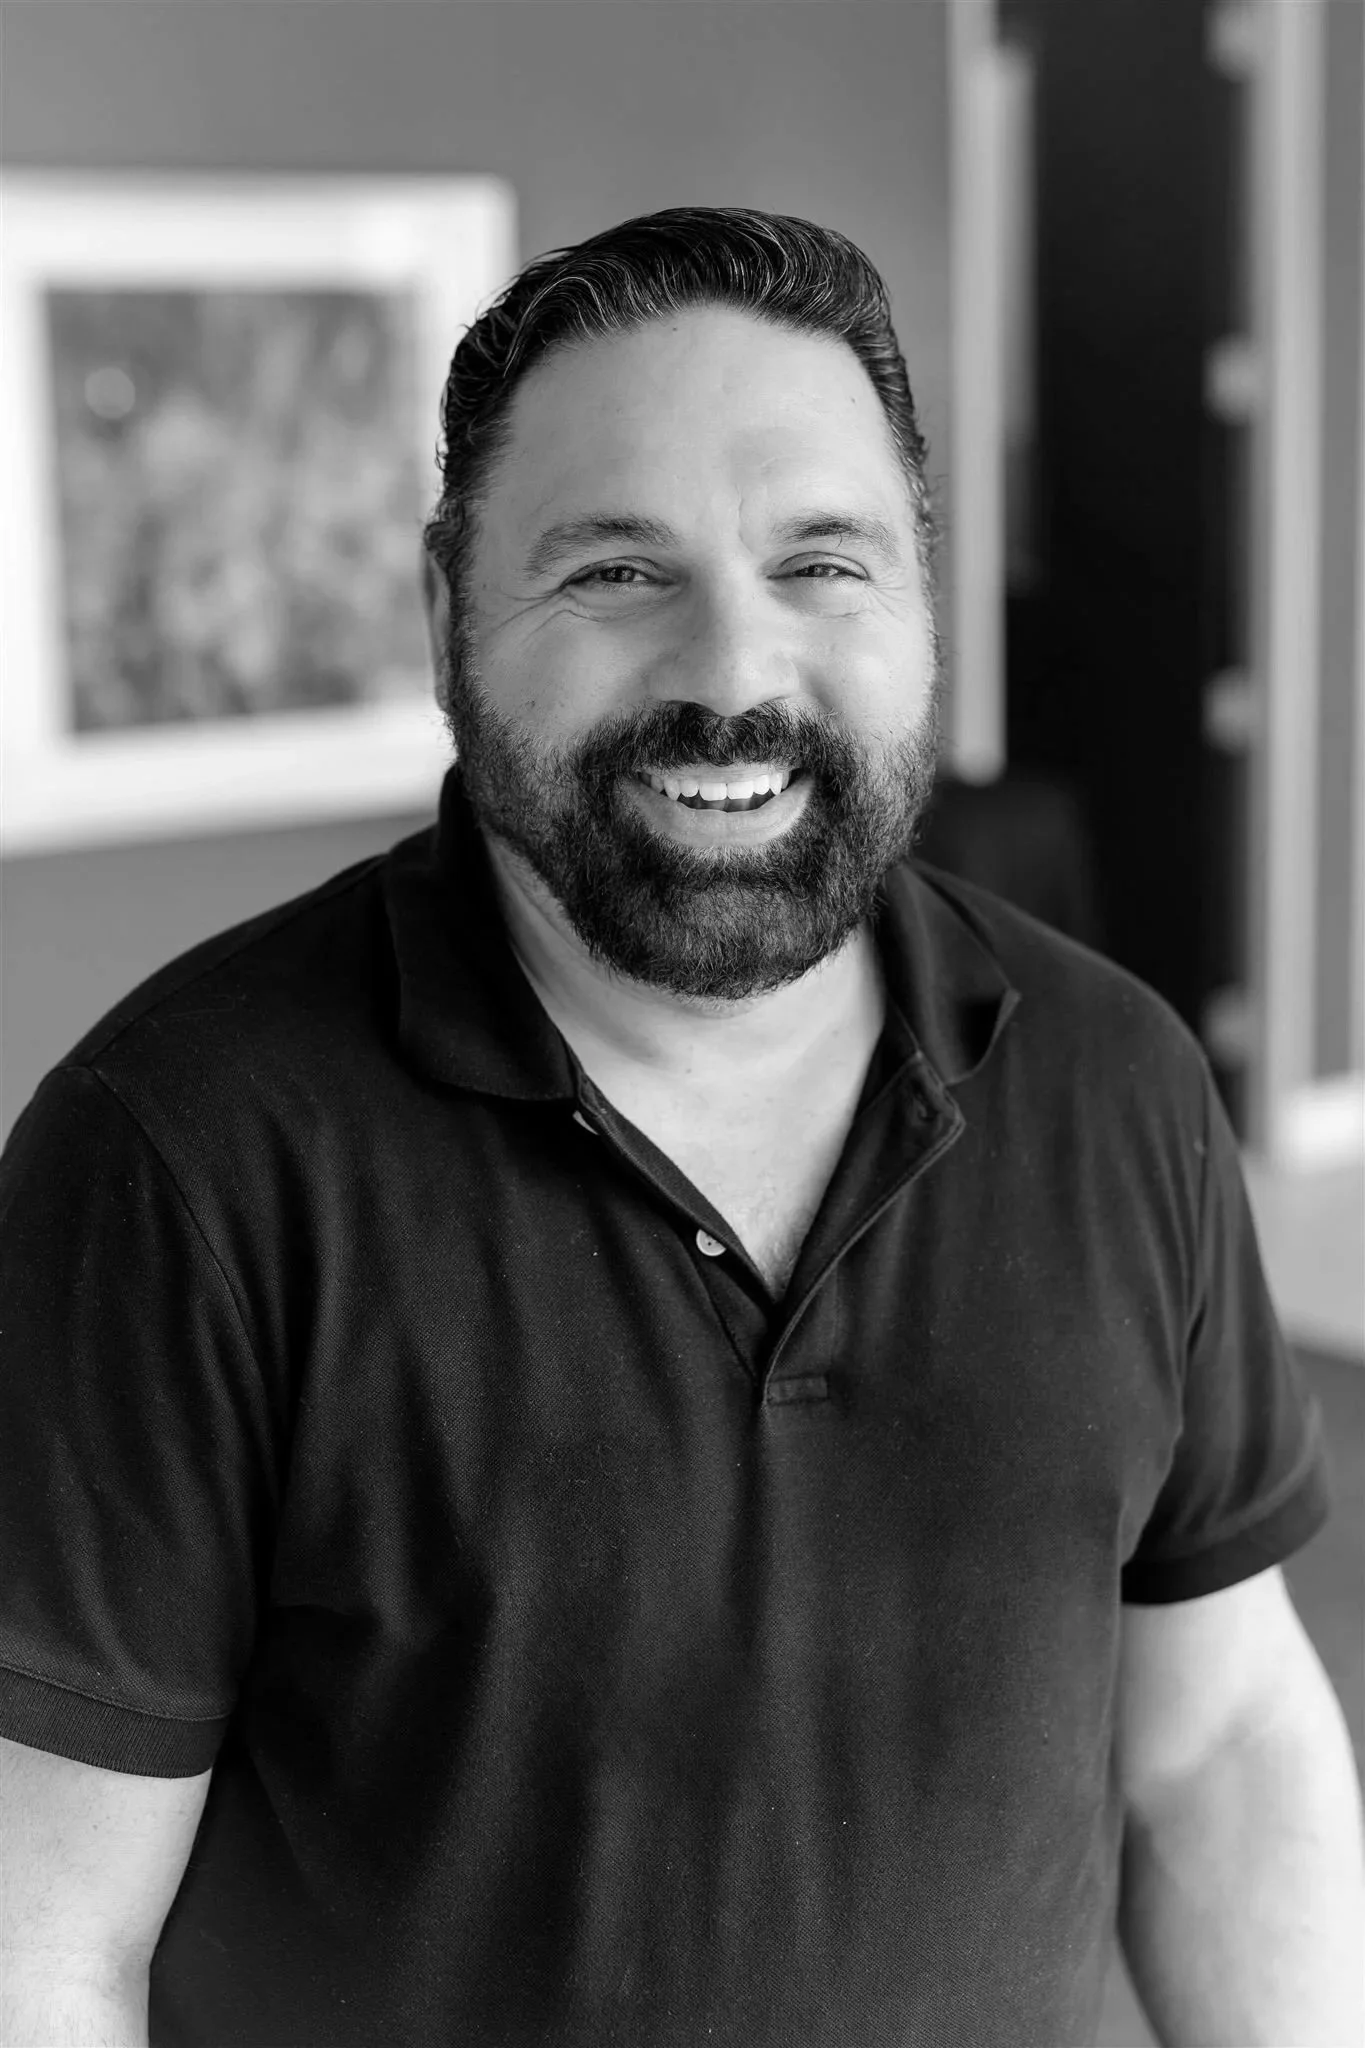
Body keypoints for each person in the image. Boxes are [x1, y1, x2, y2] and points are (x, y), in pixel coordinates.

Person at [1, 207, 1361, 2048]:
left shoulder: (1119, 1083)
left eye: (824, 561)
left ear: (922, 600)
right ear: (444, 615)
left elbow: (1216, 1749)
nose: (736, 667)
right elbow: (40, 1936)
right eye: (617, 571)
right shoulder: (175, 1161)